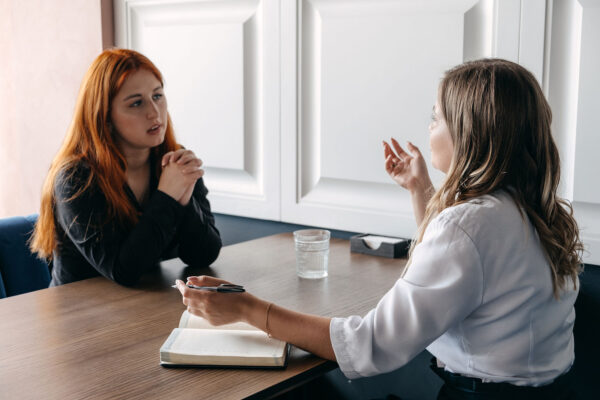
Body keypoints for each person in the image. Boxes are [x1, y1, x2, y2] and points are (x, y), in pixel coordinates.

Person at [175, 59, 582, 399]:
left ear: (468, 132)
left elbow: (372, 345)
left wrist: (246, 307)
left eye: (435, 117)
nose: (428, 127)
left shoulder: (470, 224)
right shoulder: (531, 209)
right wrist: (420, 188)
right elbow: (464, 275)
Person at [30, 49, 222, 287]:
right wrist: (168, 196)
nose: (154, 112)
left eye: (158, 96)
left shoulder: (172, 161)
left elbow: (203, 255)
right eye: (137, 103)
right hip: (79, 316)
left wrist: (184, 199)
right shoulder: (76, 178)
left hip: (141, 306)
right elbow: (122, 270)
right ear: (105, 117)